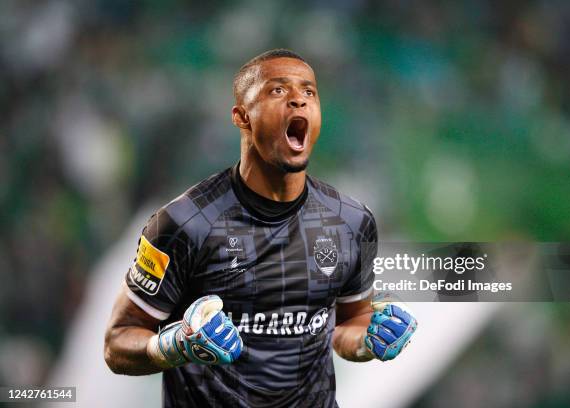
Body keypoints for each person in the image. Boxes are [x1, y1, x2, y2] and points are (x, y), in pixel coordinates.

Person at [104, 49, 417, 407]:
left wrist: (369, 340)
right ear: (242, 117)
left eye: (309, 92)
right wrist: (175, 346)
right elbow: (118, 342)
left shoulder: (351, 221)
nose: (298, 99)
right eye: (278, 91)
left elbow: (348, 323)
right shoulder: (184, 223)